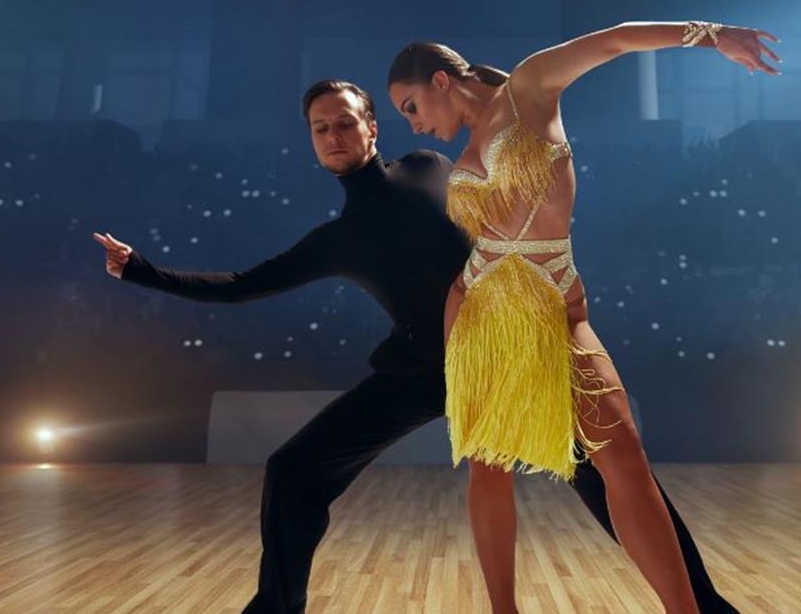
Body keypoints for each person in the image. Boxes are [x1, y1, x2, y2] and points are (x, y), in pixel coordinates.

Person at [93, 78, 740, 614]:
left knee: (611, 473)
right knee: (292, 470)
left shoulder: (432, 168)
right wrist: (142, 269)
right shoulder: (335, 238)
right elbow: (242, 286)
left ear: (373, 127)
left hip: (505, 354)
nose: (334, 136)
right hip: (420, 368)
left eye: (345, 122)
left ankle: (706, 606)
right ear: (313, 144)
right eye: (321, 128)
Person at [387, 20, 780, 613]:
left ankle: (686, 609)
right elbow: (484, 248)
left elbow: (617, 39)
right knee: (487, 468)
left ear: (441, 80)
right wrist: (451, 352)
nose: (413, 124)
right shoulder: (466, 150)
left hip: (554, 304)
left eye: (411, 106)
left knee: (622, 457)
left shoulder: (529, 89)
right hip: (477, 317)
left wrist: (710, 35)